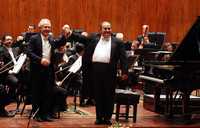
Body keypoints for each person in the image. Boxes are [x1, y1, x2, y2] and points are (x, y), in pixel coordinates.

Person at [83, 21, 128, 125]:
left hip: (110, 72)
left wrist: (125, 71)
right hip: (96, 72)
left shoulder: (118, 42)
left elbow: (123, 58)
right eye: (105, 28)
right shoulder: (94, 41)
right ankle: (99, 117)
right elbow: (87, 54)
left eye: (109, 28)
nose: (107, 31)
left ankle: (107, 118)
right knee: (98, 95)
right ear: (100, 30)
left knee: (109, 95)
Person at [27, 18, 70, 122]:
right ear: (40, 28)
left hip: (49, 70)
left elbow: (60, 43)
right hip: (37, 70)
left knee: (47, 92)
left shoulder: (50, 38)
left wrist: (64, 35)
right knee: (37, 92)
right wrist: (40, 60)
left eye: (49, 27)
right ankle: (37, 114)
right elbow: (29, 52)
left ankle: (45, 114)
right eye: (45, 27)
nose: (47, 29)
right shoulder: (34, 38)